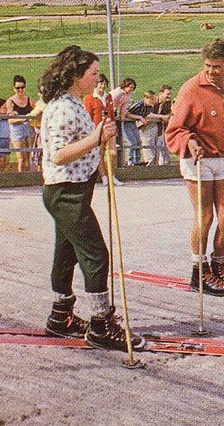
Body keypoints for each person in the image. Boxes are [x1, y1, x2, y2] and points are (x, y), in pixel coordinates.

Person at [38, 45, 144, 352]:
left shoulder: (73, 103)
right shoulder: (63, 108)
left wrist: (100, 142)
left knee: (66, 253)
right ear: (75, 75)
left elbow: (83, 145)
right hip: (66, 191)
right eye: (93, 73)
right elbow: (59, 155)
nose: (98, 78)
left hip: (73, 189)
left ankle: (60, 317)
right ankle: (101, 325)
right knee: (96, 254)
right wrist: (96, 137)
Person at [165, 38, 224, 296]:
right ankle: (198, 271)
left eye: (217, 67)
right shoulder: (191, 88)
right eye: (207, 66)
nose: (211, 71)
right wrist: (189, 142)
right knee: (205, 217)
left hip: (223, 157)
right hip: (197, 159)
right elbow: (174, 130)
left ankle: (219, 266)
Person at [83, 73, 123, 186]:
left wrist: (114, 127)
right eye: (100, 83)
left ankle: (112, 175)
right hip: (97, 129)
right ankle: (104, 176)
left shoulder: (108, 96)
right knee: (99, 153)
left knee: (112, 153)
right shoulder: (89, 98)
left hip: (109, 128)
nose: (102, 86)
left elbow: (111, 113)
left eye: (104, 83)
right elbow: (88, 115)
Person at [5, 75, 36, 172]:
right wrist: (24, 118)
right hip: (17, 130)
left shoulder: (29, 100)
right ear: (14, 88)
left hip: (29, 129)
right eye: (18, 88)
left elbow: (36, 111)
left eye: (22, 87)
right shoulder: (10, 101)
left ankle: (29, 175)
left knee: (29, 156)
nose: (20, 90)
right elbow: (10, 120)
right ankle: (20, 176)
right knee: (21, 158)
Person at [129, 91, 159, 165]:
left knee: (138, 142)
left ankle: (138, 161)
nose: (153, 101)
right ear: (145, 98)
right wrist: (140, 118)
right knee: (132, 142)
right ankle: (130, 161)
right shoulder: (139, 104)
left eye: (154, 99)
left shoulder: (150, 107)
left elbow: (147, 115)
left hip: (136, 125)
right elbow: (127, 113)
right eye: (152, 99)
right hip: (128, 123)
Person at [149, 85, 174, 166]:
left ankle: (161, 164)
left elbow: (170, 113)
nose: (169, 96)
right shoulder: (154, 101)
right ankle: (150, 165)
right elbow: (147, 113)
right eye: (168, 94)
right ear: (161, 93)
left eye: (170, 94)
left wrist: (167, 116)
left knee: (160, 145)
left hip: (159, 127)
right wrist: (162, 117)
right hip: (147, 126)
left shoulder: (167, 103)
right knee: (150, 146)